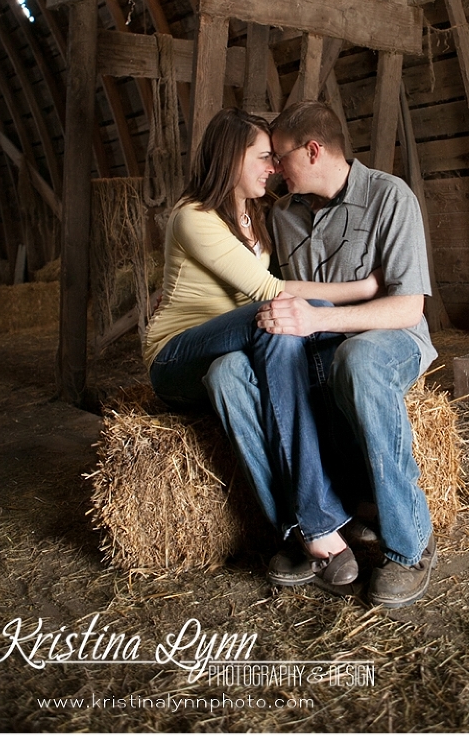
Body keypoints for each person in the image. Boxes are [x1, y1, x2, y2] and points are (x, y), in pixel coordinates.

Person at [204, 100, 438, 608]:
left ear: (312, 151)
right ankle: (304, 527)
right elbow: (259, 285)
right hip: (309, 343)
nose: (272, 168)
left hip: (385, 338)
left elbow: (406, 307)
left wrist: (320, 319)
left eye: (279, 156)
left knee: (356, 360)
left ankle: (410, 544)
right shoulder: (281, 215)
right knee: (225, 373)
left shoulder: (389, 197)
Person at [143, 107, 382, 586]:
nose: (274, 167)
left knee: (234, 373)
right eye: (265, 156)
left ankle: (297, 534)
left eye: (276, 157)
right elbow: (271, 294)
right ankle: (323, 516)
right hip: (176, 357)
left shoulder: (256, 215)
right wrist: (362, 292)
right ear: (231, 157)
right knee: (276, 317)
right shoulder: (193, 216)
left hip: (227, 354)